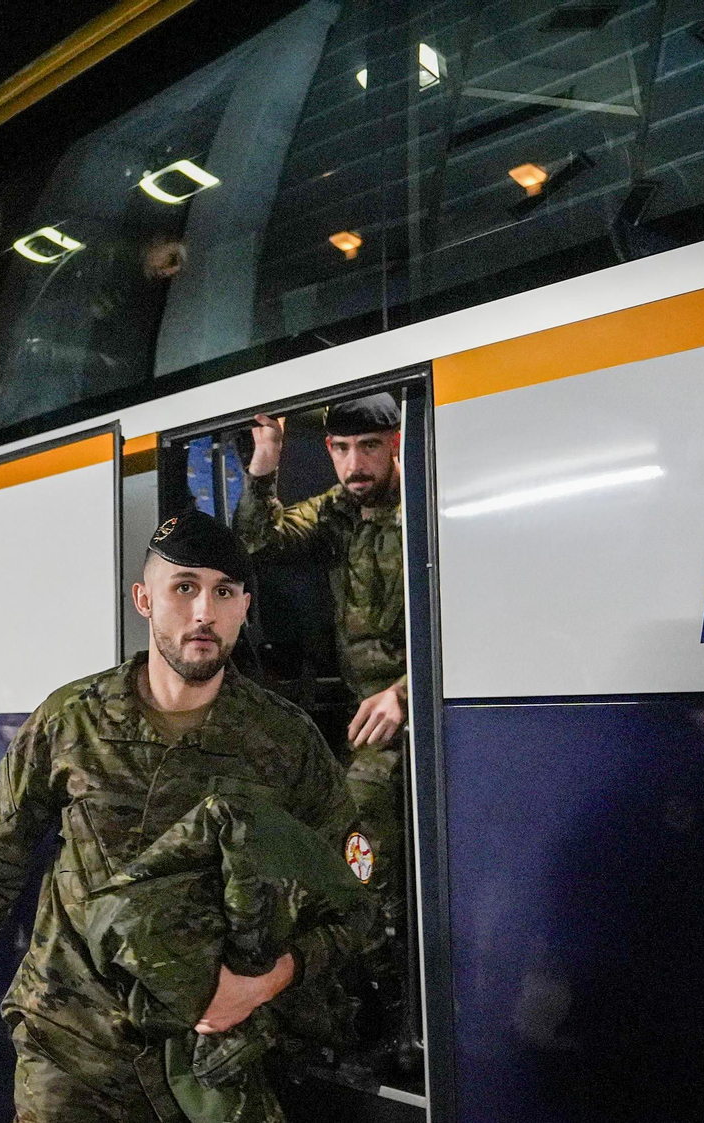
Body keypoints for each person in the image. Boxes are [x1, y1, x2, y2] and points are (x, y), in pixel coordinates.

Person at [0, 512, 358, 1123]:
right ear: (145, 599)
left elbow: (352, 898)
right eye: (184, 587)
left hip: (210, 1065)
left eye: (224, 592)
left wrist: (265, 982)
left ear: (246, 606)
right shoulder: (73, 720)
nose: (204, 613)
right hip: (69, 1044)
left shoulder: (285, 742)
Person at [234, 394, 412, 1036]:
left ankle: (391, 1015)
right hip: (364, 721)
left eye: (368, 447)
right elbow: (256, 540)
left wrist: (404, 692)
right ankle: (358, 1004)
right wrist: (267, 461)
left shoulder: (427, 499)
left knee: (357, 849)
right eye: (340, 449)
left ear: (396, 442)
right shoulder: (338, 512)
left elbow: (474, 607)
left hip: (415, 706)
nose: (353, 464)